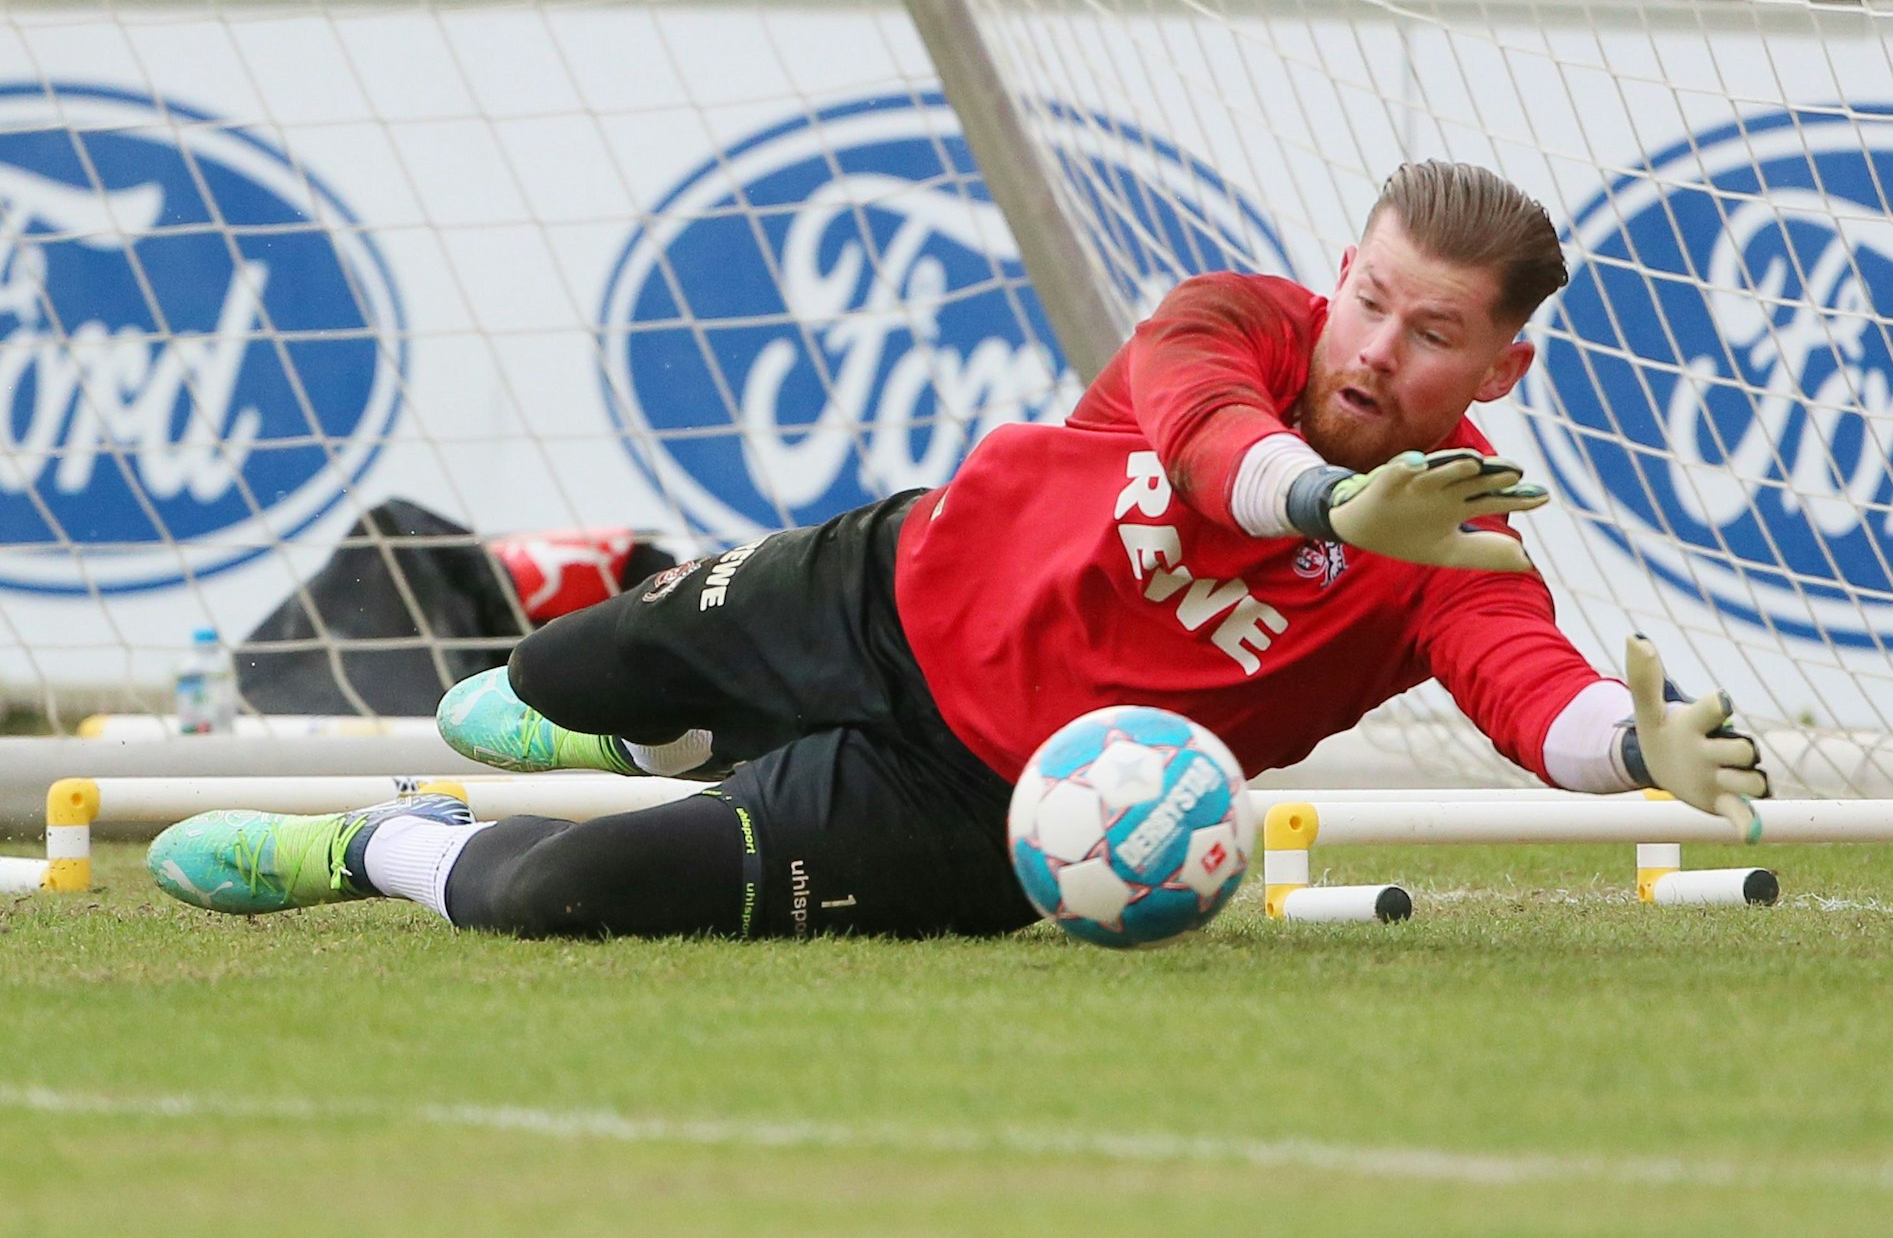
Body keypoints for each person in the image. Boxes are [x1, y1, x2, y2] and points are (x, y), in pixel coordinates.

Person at [147, 160, 1769, 938]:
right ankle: (665, 733)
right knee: (554, 674)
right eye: (1369, 302)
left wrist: (1635, 747)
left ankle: (380, 844)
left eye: (1431, 336)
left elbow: (1530, 685)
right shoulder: (1232, 320)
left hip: (981, 809)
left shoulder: (1459, 548)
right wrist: (1334, 504)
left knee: (562, 896)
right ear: (1336, 273)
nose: (1374, 350)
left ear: (1502, 370)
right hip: (879, 588)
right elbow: (1210, 440)